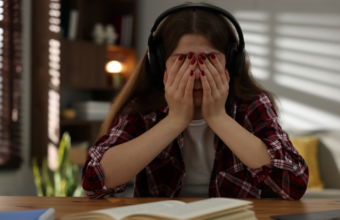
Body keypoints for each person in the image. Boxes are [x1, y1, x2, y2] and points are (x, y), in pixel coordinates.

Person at [81, 2, 309, 200]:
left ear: (231, 61)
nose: (198, 72)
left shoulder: (252, 104)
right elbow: (93, 181)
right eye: (183, 59)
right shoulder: (143, 107)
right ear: (160, 64)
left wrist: (218, 117)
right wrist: (176, 120)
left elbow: (295, 183)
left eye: (210, 59)